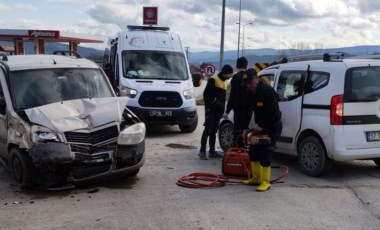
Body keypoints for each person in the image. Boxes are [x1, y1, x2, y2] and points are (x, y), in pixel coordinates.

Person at [242, 68, 282, 192]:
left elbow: (273, 112)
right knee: (253, 150)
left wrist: (262, 126)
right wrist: (245, 128)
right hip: (259, 127)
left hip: (271, 127)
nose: (248, 85)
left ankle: (266, 182)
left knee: (265, 151)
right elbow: (247, 111)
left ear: (256, 78)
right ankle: (256, 178)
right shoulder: (250, 92)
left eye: (250, 82)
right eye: (247, 83)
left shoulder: (267, 91)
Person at [199, 65, 233, 160]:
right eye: (230, 74)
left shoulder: (225, 83)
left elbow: (222, 99)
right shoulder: (213, 80)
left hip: (218, 111)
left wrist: (223, 110)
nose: (230, 76)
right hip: (211, 110)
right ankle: (202, 151)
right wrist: (210, 106)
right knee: (208, 130)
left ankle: (212, 151)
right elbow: (206, 94)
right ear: (225, 73)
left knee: (214, 131)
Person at [224, 57, 251, 146]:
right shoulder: (250, 76)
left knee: (238, 132)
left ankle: (239, 152)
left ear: (236, 66)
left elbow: (233, 96)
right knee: (245, 130)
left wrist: (227, 111)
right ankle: (245, 150)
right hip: (249, 109)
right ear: (246, 65)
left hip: (239, 110)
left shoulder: (236, 77)